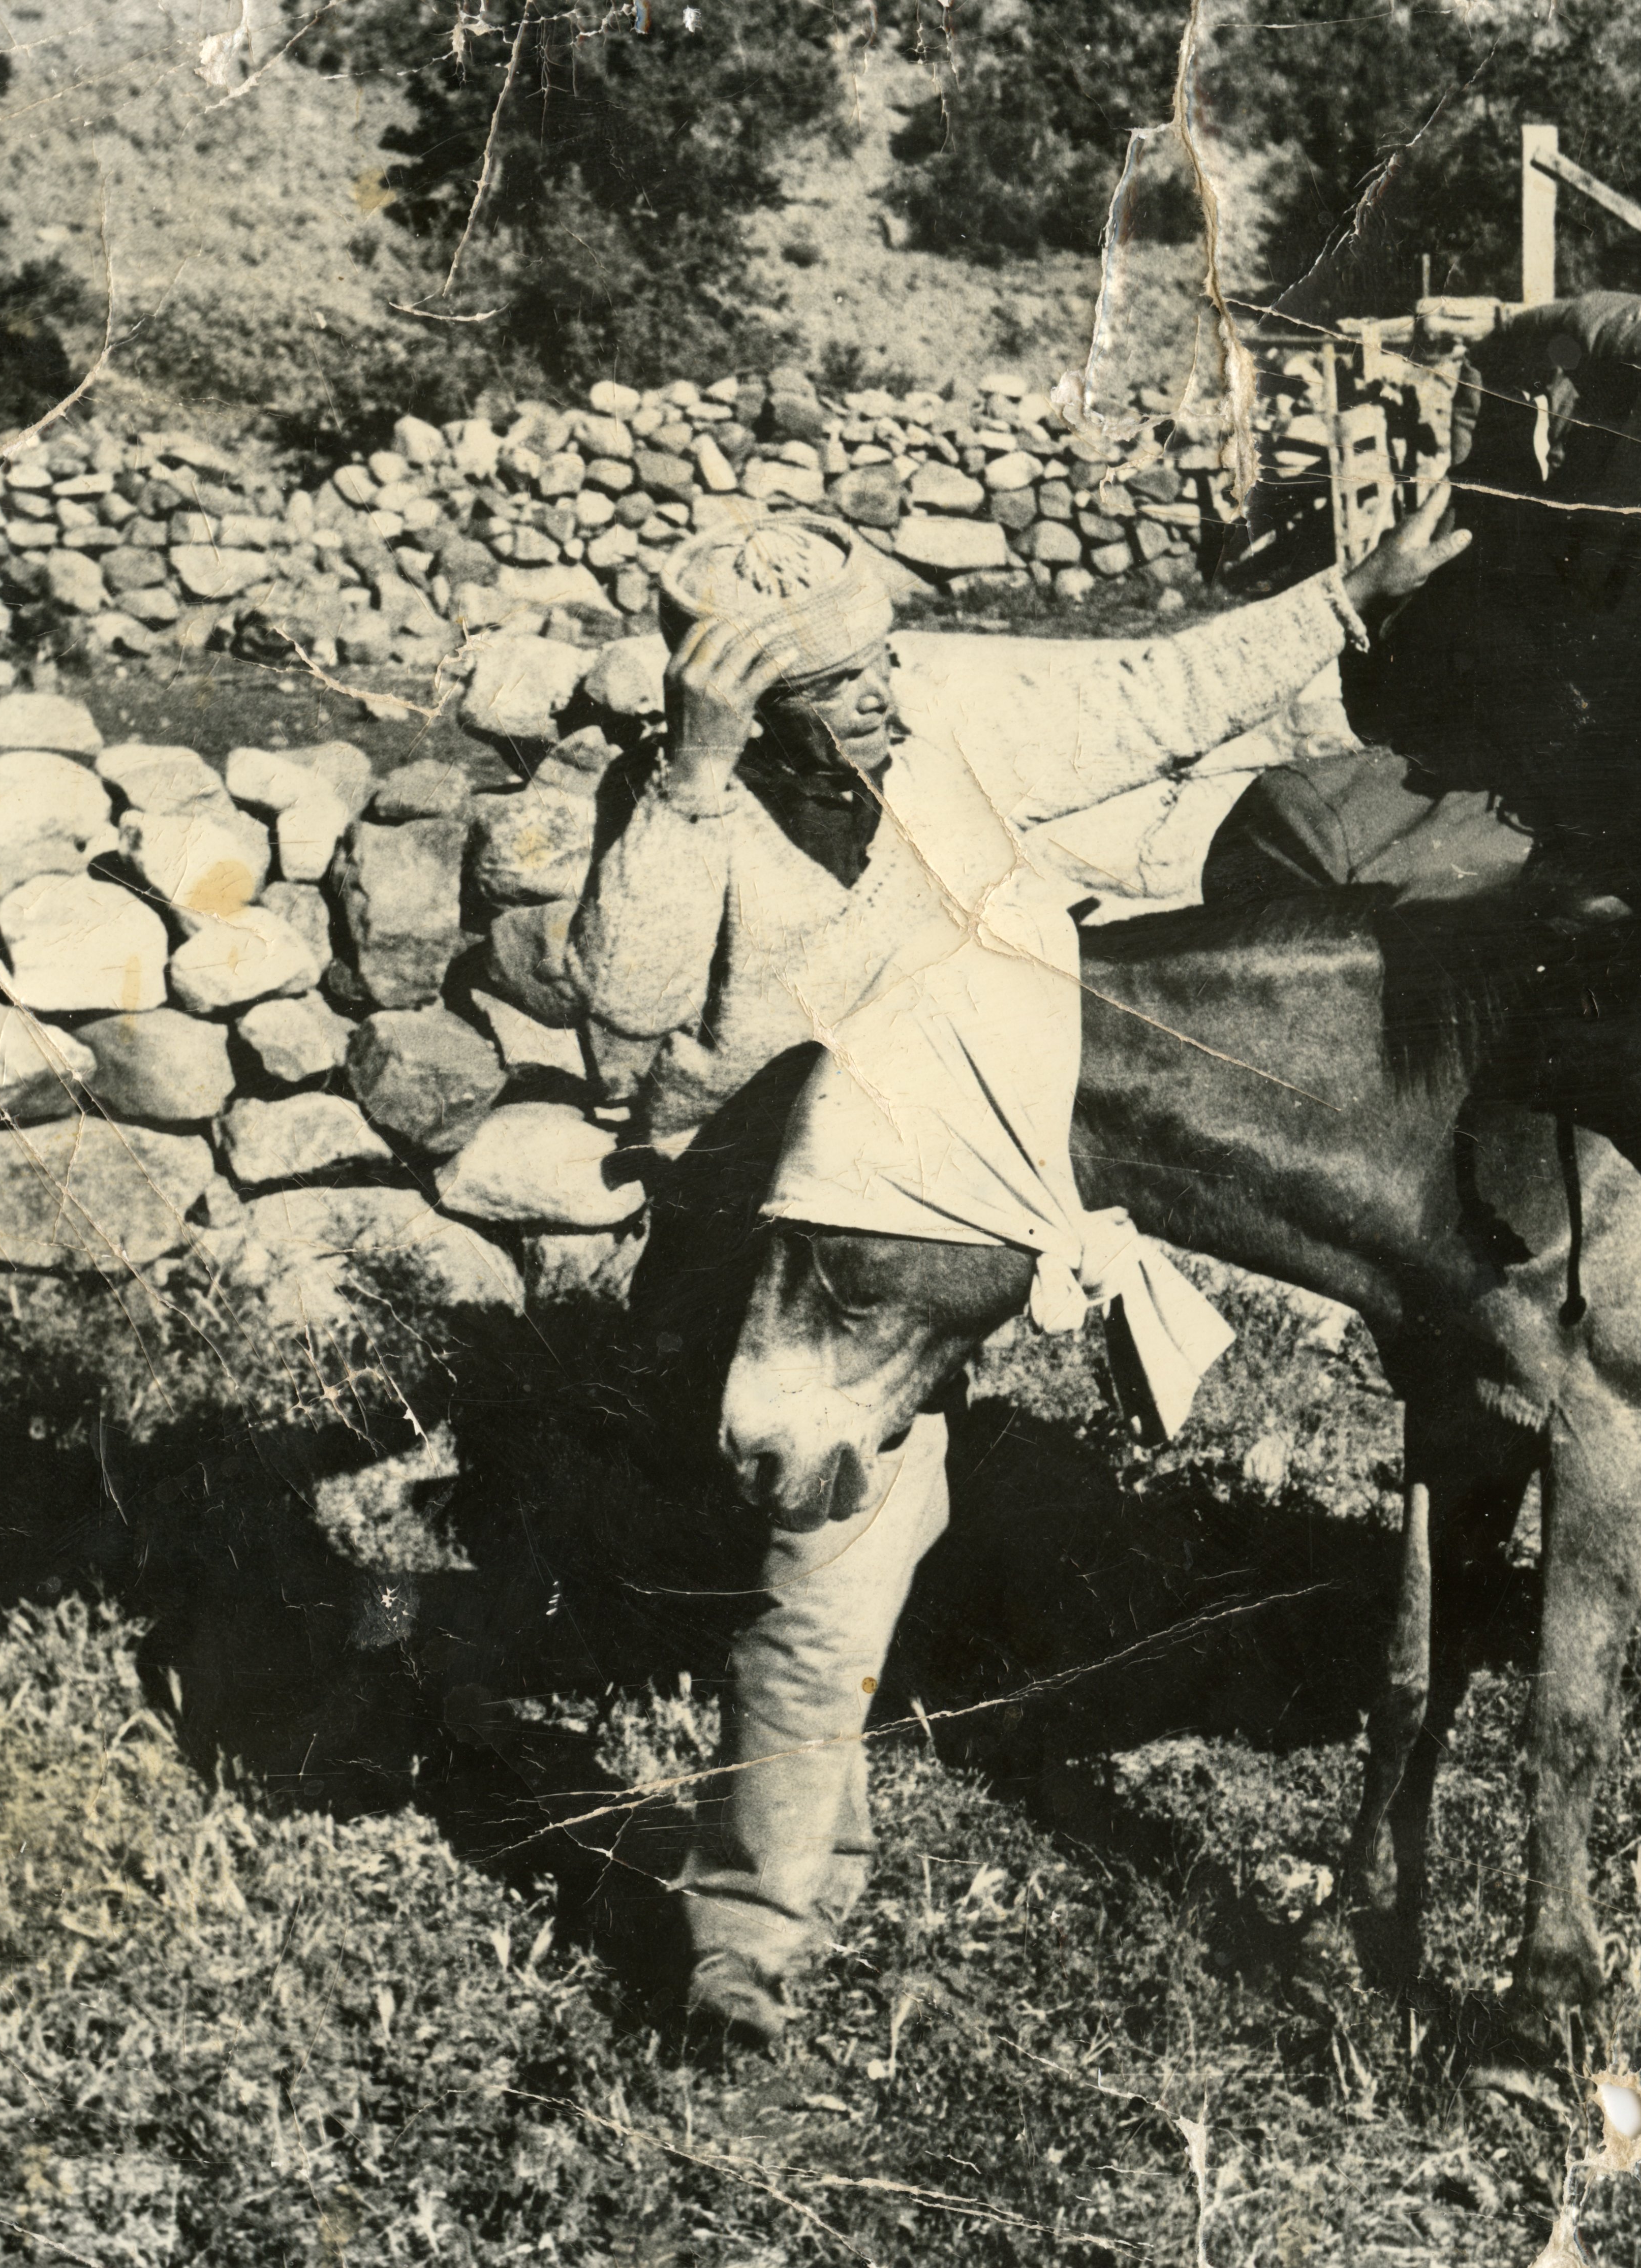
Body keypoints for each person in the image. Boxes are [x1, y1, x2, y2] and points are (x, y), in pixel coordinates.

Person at [563, 494, 1468, 2050]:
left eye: (881, 666)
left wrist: (1349, 598)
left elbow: (1147, 696)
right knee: (821, 1576)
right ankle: (750, 1950)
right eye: (836, 689)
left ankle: (803, 1852)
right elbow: (620, 1002)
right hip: (806, 1246)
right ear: (742, 708)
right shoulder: (690, 810)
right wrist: (693, 782)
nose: (883, 699)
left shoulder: (941, 736)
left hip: (958, 1214)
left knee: (854, 1559)